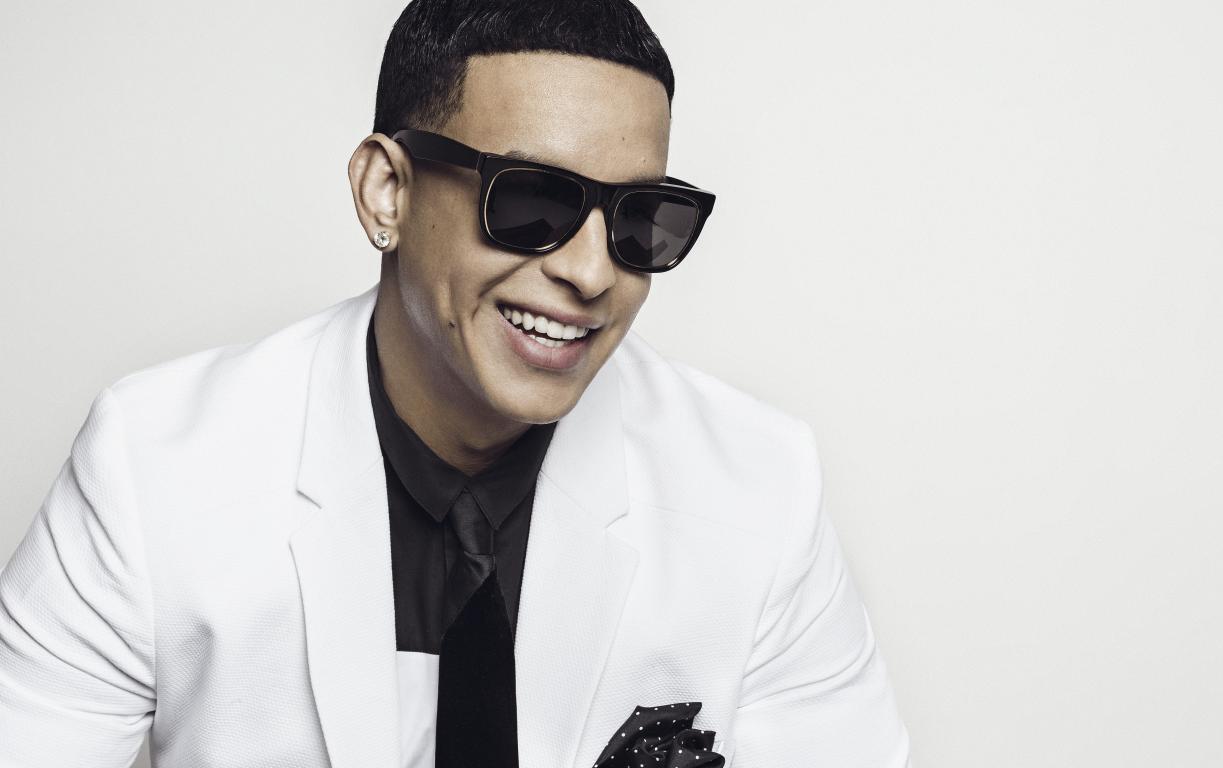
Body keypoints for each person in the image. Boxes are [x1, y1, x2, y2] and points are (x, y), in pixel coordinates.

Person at [0, 0, 911, 765]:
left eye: (641, 219)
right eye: (532, 200)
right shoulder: (152, 469)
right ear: (386, 192)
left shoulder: (760, 487)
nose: (592, 272)